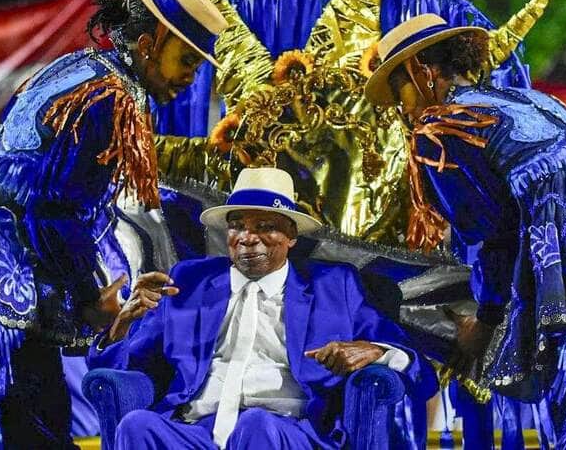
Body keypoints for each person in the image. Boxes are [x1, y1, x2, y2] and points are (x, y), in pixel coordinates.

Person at [0, 0, 227, 449]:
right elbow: (56, 212)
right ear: (148, 44)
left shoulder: (80, 66)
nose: (192, 76)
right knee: (19, 429)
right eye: (187, 59)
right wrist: (96, 297)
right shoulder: (112, 97)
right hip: (1, 288)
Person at [364, 13, 566, 448]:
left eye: (399, 90)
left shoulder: (444, 128)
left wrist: (487, 320)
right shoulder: (536, 102)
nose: (401, 108)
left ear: (423, 72)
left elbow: (489, 233)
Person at [88, 167, 435, 449]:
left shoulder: (335, 286)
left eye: (265, 227)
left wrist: (375, 351)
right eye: (237, 225)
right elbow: (130, 365)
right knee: (138, 425)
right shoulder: (189, 281)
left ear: (291, 236)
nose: (247, 237)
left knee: (255, 425)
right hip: (195, 431)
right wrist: (122, 324)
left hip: (288, 430)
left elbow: (421, 373)